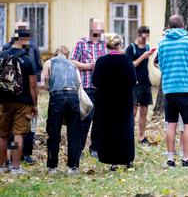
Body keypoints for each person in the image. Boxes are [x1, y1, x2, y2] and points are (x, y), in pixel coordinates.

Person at [158, 15, 188, 167]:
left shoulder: (163, 42)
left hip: (169, 88)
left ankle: (170, 159)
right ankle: (186, 158)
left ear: (169, 27)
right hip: (185, 88)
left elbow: (162, 66)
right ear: (183, 26)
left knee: (171, 124)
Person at [92, 34, 136, 171]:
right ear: (119, 45)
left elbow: (95, 82)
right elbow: (133, 80)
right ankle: (127, 159)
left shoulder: (101, 61)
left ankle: (113, 162)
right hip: (124, 101)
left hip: (106, 102)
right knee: (125, 129)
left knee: (109, 130)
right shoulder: (127, 61)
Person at [0, 22, 38, 174]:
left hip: (3, 101)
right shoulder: (27, 59)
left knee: (2, 135)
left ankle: (1, 167)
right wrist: (34, 104)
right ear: (25, 39)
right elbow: (33, 85)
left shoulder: (1, 56)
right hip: (22, 102)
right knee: (17, 135)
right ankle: (16, 167)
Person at [40, 46, 81, 174]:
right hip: (73, 96)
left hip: (57, 97)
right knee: (74, 132)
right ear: (67, 55)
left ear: (55, 54)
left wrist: (50, 87)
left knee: (54, 132)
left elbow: (42, 81)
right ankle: (73, 167)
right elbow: (78, 83)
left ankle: (53, 167)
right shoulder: (73, 65)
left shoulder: (49, 62)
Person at [71, 18, 106, 157]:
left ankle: (95, 148)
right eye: (96, 27)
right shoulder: (81, 43)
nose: (98, 30)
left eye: (100, 27)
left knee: (100, 118)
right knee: (86, 118)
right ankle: (78, 148)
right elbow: (72, 61)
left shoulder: (105, 43)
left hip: (103, 87)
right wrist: (88, 66)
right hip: (86, 86)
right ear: (91, 27)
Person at [125, 26, 154, 145]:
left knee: (144, 110)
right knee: (133, 110)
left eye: (147, 36)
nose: (145, 39)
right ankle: (128, 135)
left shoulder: (147, 47)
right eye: (143, 36)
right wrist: (143, 57)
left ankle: (142, 136)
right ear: (138, 35)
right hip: (134, 83)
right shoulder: (131, 48)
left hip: (145, 83)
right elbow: (129, 65)